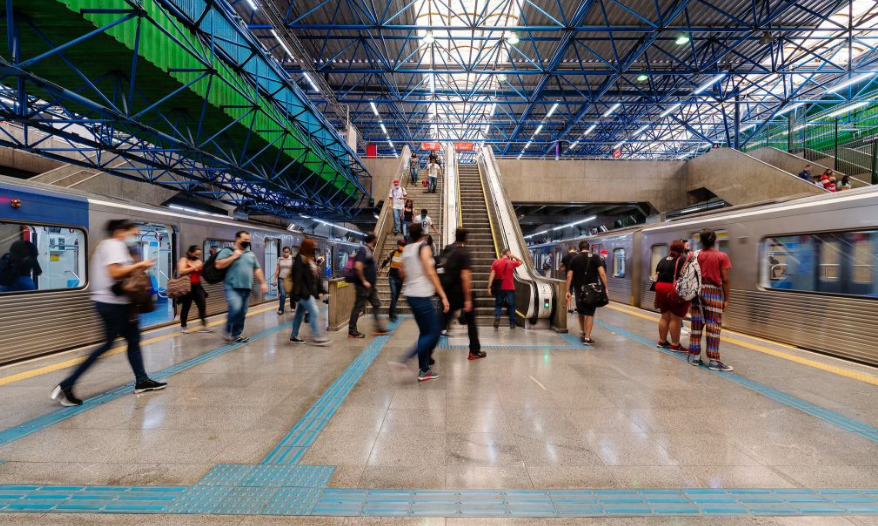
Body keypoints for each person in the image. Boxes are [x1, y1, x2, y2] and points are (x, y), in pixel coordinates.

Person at [50, 220, 166, 406]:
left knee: (133, 340)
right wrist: (139, 265)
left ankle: (142, 380)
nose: (133, 238)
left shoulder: (105, 246)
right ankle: (66, 385)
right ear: (120, 232)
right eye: (132, 234)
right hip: (113, 305)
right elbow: (115, 273)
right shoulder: (113, 244)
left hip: (113, 303)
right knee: (107, 346)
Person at [397, 223, 449, 381]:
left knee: (425, 332)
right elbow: (430, 272)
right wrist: (443, 295)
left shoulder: (406, 249)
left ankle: (424, 369)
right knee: (434, 332)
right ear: (423, 233)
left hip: (411, 294)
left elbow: (401, 272)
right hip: (421, 295)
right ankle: (404, 361)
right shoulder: (424, 248)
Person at [687, 229, 733, 372]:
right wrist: (726, 299)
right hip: (713, 293)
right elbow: (725, 279)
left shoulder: (693, 255)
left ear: (701, 241)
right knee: (713, 327)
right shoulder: (722, 256)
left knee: (696, 324)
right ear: (715, 241)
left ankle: (695, 357)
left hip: (697, 292)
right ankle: (713, 361)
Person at [215, 230, 268, 343]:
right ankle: (227, 332)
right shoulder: (227, 251)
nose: (247, 242)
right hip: (232, 287)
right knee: (236, 307)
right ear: (238, 239)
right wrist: (233, 257)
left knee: (242, 312)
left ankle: (236, 334)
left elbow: (257, 269)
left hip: (246, 288)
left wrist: (263, 283)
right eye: (244, 240)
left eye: (248, 240)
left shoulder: (250, 254)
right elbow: (218, 264)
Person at [439, 228, 484, 360]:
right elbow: (465, 277)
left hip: (447, 293)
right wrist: (468, 299)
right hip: (460, 294)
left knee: (440, 325)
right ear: (465, 238)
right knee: (471, 322)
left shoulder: (447, 250)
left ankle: (427, 353)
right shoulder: (464, 252)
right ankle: (474, 351)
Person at [565, 240, 609, 345]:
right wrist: (606, 287)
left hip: (579, 290)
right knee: (590, 314)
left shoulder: (575, 259)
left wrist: (567, 291)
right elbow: (602, 274)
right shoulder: (595, 257)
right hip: (592, 290)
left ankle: (582, 332)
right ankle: (587, 338)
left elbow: (569, 276)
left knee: (580, 311)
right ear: (589, 248)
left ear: (579, 248)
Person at [289, 238, 329, 346]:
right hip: (304, 293)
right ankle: (317, 337)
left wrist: (321, 290)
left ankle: (294, 335)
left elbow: (315, 276)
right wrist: (296, 294)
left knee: (299, 314)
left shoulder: (309, 259)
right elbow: (297, 277)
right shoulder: (300, 258)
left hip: (308, 292)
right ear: (307, 247)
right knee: (315, 312)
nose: (315, 247)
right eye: (313, 245)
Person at [348, 233, 389, 338]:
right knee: (358, 307)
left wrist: (375, 271)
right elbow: (358, 266)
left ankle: (378, 328)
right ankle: (352, 331)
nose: (377, 241)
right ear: (373, 239)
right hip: (363, 286)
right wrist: (364, 281)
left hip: (370, 286)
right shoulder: (363, 250)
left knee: (376, 304)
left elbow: (367, 266)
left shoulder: (369, 250)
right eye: (376, 239)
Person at [654, 240, 689, 352]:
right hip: (672, 289)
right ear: (682, 250)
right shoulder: (683, 260)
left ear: (670, 249)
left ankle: (662, 341)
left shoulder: (663, 259)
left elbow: (657, 274)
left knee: (664, 316)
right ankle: (675, 344)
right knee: (676, 318)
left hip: (660, 287)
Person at [177, 245, 211, 334]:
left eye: (199, 255)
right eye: (196, 254)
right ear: (190, 253)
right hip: (187, 287)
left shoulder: (198, 261)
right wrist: (194, 267)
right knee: (186, 307)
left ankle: (204, 326)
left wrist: (204, 269)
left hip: (197, 287)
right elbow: (181, 271)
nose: (197, 256)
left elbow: (202, 273)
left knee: (202, 305)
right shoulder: (184, 260)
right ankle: (183, 326)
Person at [488, 248, 522, 329]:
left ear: (501, 254)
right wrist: (513, 256)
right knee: (511, 305)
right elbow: (521, 262)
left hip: (499, 287)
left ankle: (497, 316)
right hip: (510, 287)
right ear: (508, 254)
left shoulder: (496, 262)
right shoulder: (511, 262)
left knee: (498, 304)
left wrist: (489, 287)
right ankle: (512, 323)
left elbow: (492, 275)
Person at [380, 238, 406, 322]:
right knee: (394, 294)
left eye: (403, 245)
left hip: (400, 278)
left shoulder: (406, 254)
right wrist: (381, 268)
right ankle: (393, 314)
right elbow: (386, 260)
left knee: (396, 296)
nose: (402, 247)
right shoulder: (392, 253)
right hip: (392, 277)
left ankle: (391, 313)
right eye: (401, 245)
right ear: (397, 245)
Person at [273, 246, 294, 315]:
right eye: (285, 252)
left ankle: (292, 307)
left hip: (290, 279)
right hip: (281, 278)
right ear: (283, 252)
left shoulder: (292, 259)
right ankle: (281, 309)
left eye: (287, 252)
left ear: (289, 252)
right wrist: (274, 279)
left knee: (291, 294)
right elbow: (277, 269)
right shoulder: (280, 259)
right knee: (283, 294)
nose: (286, 253)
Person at [560, 246, 578, 313]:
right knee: (577, 292)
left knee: (569, 292)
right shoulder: (578, 256)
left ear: (568, 250)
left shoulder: (565, 257)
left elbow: (561, 267)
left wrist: (565, 268)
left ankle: (569, 308)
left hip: (568, 277)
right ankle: (576, 307)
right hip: (577, 277)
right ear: (575, 250)